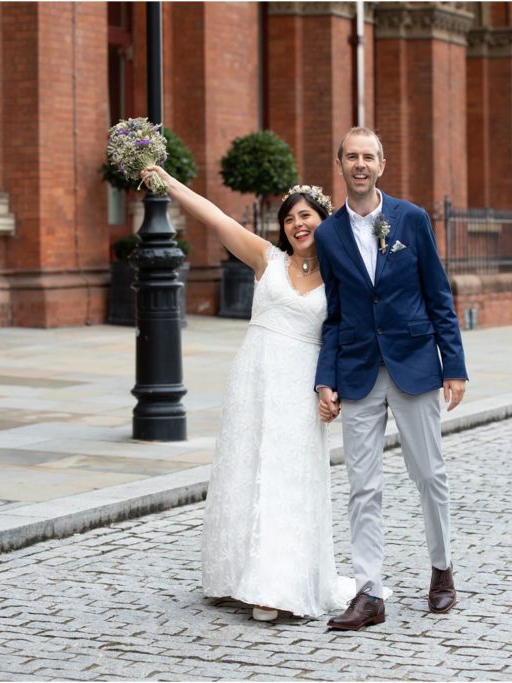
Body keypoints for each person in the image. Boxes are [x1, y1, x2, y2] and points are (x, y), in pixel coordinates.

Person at [141, 165, 348, 621]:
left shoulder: (339, 280)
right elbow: (215, 218)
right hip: (253, 378)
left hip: (299, 386)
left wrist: (333, 389)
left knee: (286, 476)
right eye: (291, 217)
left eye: (307, 216)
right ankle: (237, 574)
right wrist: (169, 183)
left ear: (324, 222)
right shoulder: (266, 260)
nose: (298, 224)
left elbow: (343, 338)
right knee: (244, 468)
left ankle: (275, 585)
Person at [314, 127, 468, 631]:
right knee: (363, 487)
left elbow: (438, 294)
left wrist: (455, 365)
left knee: (429, 475)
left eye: (368, 157)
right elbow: (333, 315)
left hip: (416, 365)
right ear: (339, 166)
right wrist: (325, 380)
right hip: (358, 372)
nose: (360, 165)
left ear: (382, 164)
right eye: (351, 157)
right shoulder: (327, 234)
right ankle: (369, 593)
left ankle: (441, 570)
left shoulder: (412, 219)